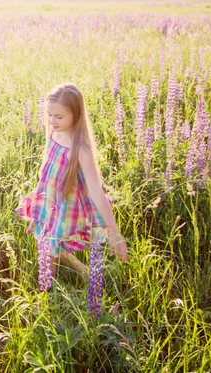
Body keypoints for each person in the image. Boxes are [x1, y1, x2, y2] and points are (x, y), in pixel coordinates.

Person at [15, 83, 128, 281]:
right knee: (43, 241)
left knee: (48, 250)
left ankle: (48, 293)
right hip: (48, 199)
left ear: (76, 115)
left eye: (59, 117)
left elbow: (96, 191)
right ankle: (74, 270)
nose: (52, 120)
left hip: (66, 206)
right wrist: (37, 192)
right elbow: (46, 165)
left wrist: (114, 233)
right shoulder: (53, 133)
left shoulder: (81, 149)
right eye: (49, 114)